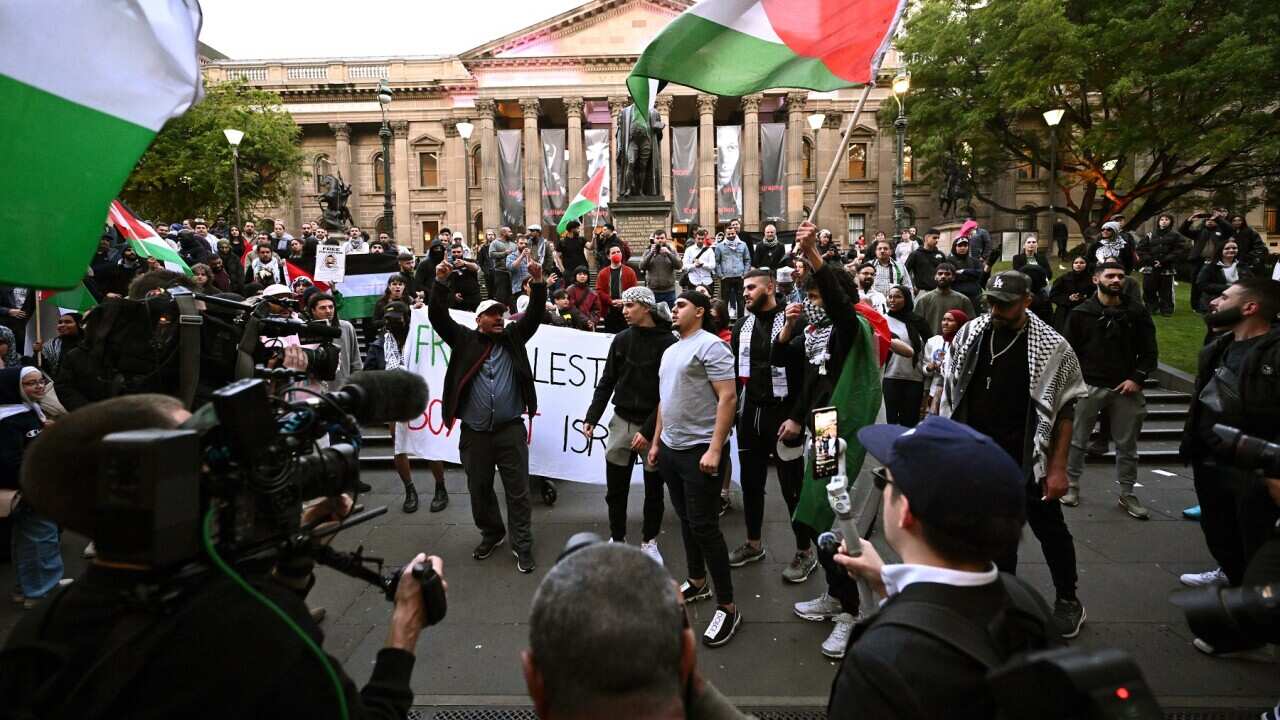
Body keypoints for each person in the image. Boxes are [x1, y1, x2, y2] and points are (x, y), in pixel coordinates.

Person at [0, 393, 432, 718]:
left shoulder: (42, 627)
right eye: (205, 449)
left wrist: (293, 554)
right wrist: (406, 623)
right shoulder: (252, 628)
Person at [827, 416, 1055, 720]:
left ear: (905, 511)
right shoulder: (1025, 601)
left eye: (883, 478)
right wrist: (885, 585)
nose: (881, 489)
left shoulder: (878, 663)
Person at [939, 270, 1089, 639]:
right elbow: (949, 388)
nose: (994, 309)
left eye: (1004, 304)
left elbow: (1066, 410)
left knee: (1049, 528)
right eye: (990, 301)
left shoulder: (1051, 346)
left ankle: (1069, 599)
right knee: (993, 533)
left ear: (1027, 301)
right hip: (979, 455)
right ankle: (1000, 603)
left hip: (1026, 456)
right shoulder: (973, 333)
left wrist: (1057, 468)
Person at [523, 540, 749, 720]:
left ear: (532, 679)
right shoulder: (686, 658)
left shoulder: (537, 682)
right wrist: (685, 662)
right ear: (689, 655)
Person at [431, 256, 547, 573]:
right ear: (478, 320)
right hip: (475, 433)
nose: (499, 318)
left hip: (510, 430)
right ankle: (492, 533)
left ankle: (522, 545)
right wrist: (440, 283)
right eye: (492, 314)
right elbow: (438, 316)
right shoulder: (464, 339)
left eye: (502, 314)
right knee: (479, 489)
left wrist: (538, 284)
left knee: (518, 491)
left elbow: (534, 316)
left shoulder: (513, 338)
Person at [1177, 279, 1280, 605]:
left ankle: (1256, 617)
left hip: (1255, 467)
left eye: (1224, 297)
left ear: (1250, 307)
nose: (1214, 303)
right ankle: (1232, 581)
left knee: (1257, 541)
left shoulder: (1275, 352)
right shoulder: (1217, 347)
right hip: (1210, 460)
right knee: (1220, 531)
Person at [647, 291, 740, 647]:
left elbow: (727, 397)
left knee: (705, 526)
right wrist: (657, 443)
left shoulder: (712, 346)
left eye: (681, 305)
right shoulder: (671, 350)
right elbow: (664, 400)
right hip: (671, 449)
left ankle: (728, 606)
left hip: (700, 451)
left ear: (699, 311)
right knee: (686, 519)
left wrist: (715, 449)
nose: (674, 309)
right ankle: (697, 581)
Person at [727, 270, 814, 582]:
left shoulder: (798, 321)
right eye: (743, 287)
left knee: (792, 488)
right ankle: (753, 544)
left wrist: (798, 417)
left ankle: (805, 551)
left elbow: (809, 377)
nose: (746, 292)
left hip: (785, 413)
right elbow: (738, 373)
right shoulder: (741, 325)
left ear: (771, 287)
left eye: (752, 287)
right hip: (751, 411)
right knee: (751, 484)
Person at [582, 287, 675, 562]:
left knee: (654, 490)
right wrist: (591, 416)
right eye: (624, 305)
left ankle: (649, 541)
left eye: (630, 305)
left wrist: (648, 432)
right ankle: (618, 538)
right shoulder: (621, 339)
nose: (624, 310)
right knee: (616, 489)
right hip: (621, 420)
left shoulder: (668, 343)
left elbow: (667, 393)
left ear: (646, 308)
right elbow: (607, 380)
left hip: (655, 425)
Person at [1061, 262, 1158, 517]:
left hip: (1126, 387)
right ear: (1096, 279)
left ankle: (1127, 492)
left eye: (1120, 276)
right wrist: (1078, 383)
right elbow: (1068, 353)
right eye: (1110, 276)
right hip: (1089, 386)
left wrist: (1136, 378)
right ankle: (1071, 485)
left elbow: (1150, 352)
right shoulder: (1081, 313)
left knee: (1127, 445)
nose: (1116, 280)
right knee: (1077, 440)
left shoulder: (1136, 312)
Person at [1, 366, 65, 609]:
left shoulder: (29, 410)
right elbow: (9, 462)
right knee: (41, 537)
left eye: (40, 381)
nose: (39, 386)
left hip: (35, 485)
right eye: (30, 383)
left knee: (31, 539)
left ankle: (30, 586)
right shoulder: (8, 420)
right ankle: (41, 593)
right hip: (29, 490)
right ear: (13, 388)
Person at [882, 286, 931, 427]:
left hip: (914, 378)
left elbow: (929, 346)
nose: (892, 300)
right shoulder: (882, 321)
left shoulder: (918, 322)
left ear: (907, 299)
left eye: (897, 296)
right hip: (890, 377)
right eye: (890, 296)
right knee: (890, 420)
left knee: (910, 421)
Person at [307, 293, 362, 389]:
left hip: (344, 388)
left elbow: (356, 361)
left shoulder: (346, 327)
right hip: (316, 390)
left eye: (331, 307)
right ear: (313, 310)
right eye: (323, 308)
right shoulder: (306, 331)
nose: (328, 311)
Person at [1135, 213, 1185, 315]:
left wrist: (1163, 260)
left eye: (1167, 219)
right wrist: (1151, 260)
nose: (1164, 221)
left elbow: (1179, 250)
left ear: (1170, 222)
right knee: (1148, 288)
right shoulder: (1150, 234)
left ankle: (1166, 310)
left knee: (1165, 290)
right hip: (1150, 266)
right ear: (1158, 221)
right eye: (1162, 219)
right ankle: (1151, 308)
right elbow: (1141, 249)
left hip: (1166, 267)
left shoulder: (1176, 236)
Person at [923, 309, 969, 414]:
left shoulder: (965, 344)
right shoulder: (933, 341)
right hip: (934, 391)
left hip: (954, 393)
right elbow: (925, 368)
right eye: (943, 319)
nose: (945, 323)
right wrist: (929, 368)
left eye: (950, 320)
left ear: (960, 323)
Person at [912, 263, 975, 336]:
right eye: (940, 274)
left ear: (953, 277)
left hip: (955, 343)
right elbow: (916, 325)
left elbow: (970, 324)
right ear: (935, 276)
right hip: (930, 343)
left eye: (947, 274)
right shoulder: (923, 299)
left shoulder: (963, 300)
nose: (943, 276)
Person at [1195, 241, 1251, 312]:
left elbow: (1251, 281)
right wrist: (1229, 288)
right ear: (1221, 250)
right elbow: (1201, 284)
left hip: (1238, 301)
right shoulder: (1210, 266)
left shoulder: (1242, 265)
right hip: (1215, 302)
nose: (1231, 250)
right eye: (1227, 248)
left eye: (1234, 248)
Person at [595, 246, 638, 333]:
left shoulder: (630, 271)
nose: (617, 254)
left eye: (618, 252)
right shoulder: (603, 273)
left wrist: (623, 301)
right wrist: (611, 301)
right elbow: (599, 291)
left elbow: (634, 290)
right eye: (613, 253)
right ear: (608, 256)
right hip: (609, 311)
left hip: (626, 309)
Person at [640, 229, 683, 307]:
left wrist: (669, 253)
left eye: (662, 238)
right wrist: (651, 254)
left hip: (669, 292)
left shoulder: (672, 250)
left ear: (666, 239)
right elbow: (642, 266)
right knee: (653, 316)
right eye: (657, 238)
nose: (660, 240)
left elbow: (679, 266)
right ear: (654, 239)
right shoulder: (648, 251)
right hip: (652, 291)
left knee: (670, 316)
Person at [34, 313, 83, 379]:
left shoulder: (90, 343)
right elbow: (44, 370)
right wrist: (38, 353)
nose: (62, 325)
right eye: (60, 322)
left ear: (79, 325)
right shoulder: (51, 345)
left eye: (68, 322)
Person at [1049, 256, 1093, 330]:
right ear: (1073, 265)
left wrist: (1083, 298)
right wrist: (1068, 298)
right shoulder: (1063, 278)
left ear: (1087, 264)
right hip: (1064, 314)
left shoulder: (1092, 280)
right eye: (1076, 263)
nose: (1078, 264)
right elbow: (1053, 295)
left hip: (1084, 313)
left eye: (1082, 263)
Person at [717, 225, 752, 319]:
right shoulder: (720, 246)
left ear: (735, 233)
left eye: (732, 233)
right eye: (728, 234)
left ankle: (740, 320)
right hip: (726, 277)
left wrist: (745, 274)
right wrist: (721, 275)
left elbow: (747, 260)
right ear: (725, 234)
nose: (731, 235)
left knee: (741, 301)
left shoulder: (743, 244)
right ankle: (725, 321)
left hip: (740, 276)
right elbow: (717, 262)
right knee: (724, 301)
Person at [904, 228, 947, 294]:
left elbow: (947, 271)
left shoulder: (941, 254)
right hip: (922, 291)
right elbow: (905, 271)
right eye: (934, 238)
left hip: (939, 291)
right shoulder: (915, 254)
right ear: (926, 238)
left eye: (938, 238)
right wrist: (911, 286)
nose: (937, 240)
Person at [444, 244, 483, 311]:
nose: (456, 254)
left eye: (459, 252)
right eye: (454, 252)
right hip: (457, 300)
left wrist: (465, 263)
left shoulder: (470, 261)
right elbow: (446, 283)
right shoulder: (449, 266)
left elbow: (476, 268)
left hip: (473, 297)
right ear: (451, 253)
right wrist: (453, 295)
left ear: (463, 252)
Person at [683, 229, 718, 293]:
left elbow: (713, 266)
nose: (700, 241)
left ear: (705, 238)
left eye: (702, 239)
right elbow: (684, 266)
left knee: (707, 301)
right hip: (693, 281)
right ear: (695, 238)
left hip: (707, 281)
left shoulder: (709, 250)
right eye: (698, 239)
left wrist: (703, 264)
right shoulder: (689, 250)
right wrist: (694, 265)